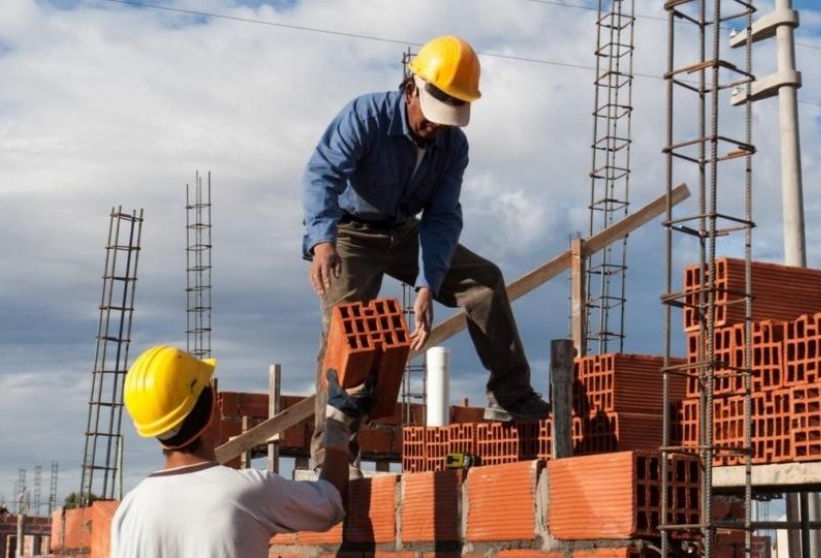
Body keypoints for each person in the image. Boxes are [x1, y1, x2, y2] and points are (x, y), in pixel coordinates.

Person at [302, 35, 551, 472]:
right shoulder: (366, 116)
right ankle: (333, 453)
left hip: (404, 231)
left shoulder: (453, 146)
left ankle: (511, 396)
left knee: (483, 282)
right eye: (434, 114)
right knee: (347, 333)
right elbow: (322, 174)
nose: (437, 126)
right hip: (350, 235)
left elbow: (442, 218)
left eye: (449, 116)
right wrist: (322, 240)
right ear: (412, 88)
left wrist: (426, 284)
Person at [110, 345, 376, 558]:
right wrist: (337, 425)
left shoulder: (129, 509)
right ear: (212, 408)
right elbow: (329, 503)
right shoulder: (244, 492)